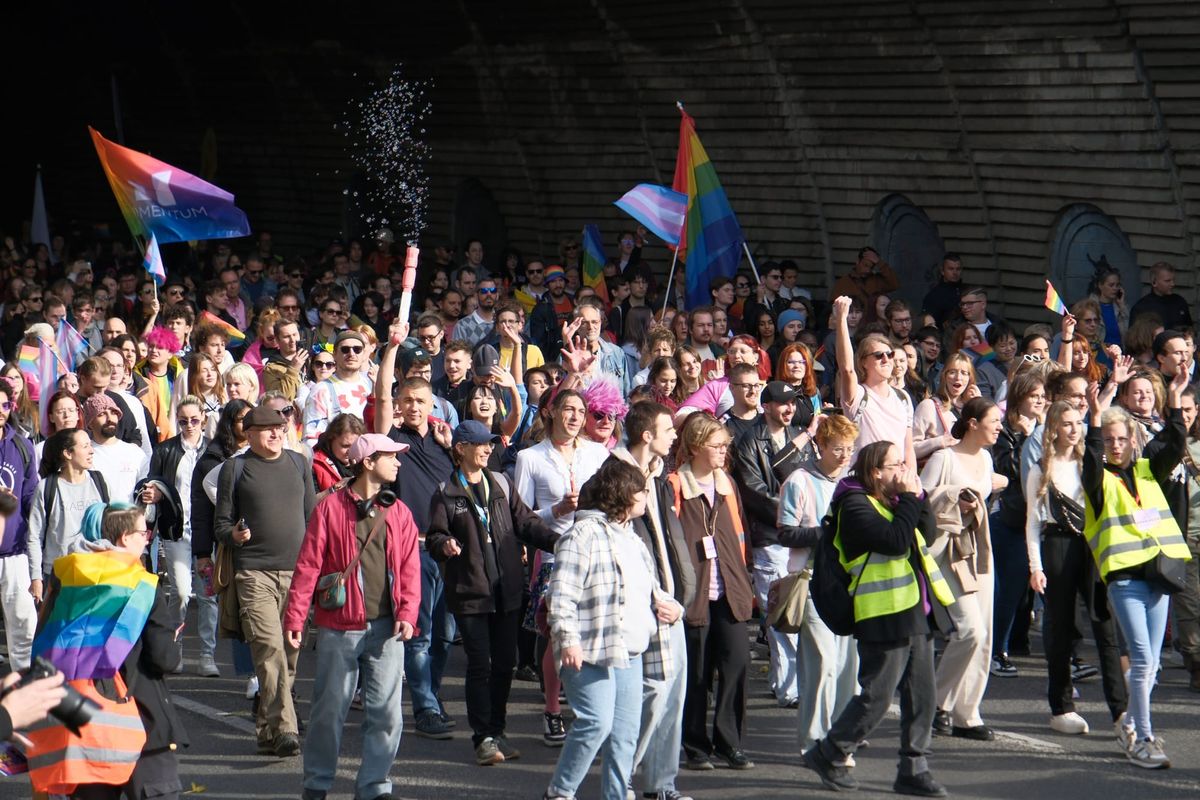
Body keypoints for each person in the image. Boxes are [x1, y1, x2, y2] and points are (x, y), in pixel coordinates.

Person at [803, 441, 954, 797]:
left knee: (922, 695)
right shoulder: (853, 505)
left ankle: (914, 768)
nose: (902, 469)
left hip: (914, 609)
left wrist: (919, 497)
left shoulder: (892, 500)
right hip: (882, 614)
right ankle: (829, 752)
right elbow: (896, 541)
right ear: (875, 472)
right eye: (895, 465)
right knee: (877, 696)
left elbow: (925, 536)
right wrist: (909, 501)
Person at [284, 433, 420, 800]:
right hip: (339, 626)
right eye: (391, 456)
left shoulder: (400, 512)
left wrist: (408, 611)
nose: (398, 462)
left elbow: (409, 568)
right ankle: (316, 783)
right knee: (329, 712)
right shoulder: (329, 508)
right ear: (369, 461)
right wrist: (296, 617)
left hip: (387, 628)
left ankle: (375, 787)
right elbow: (308, 565)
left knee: (387, 715)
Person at [541, 459, 683, 800]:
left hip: (630, 652)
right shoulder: (582, 535)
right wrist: (568, 641)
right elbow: (560, 595)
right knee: (596, 722)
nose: (647, 496)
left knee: (625, 735)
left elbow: (651, 589)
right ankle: (560, 792)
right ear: (623, 495)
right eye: (641, 490)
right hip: (590, 652)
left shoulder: (632, 539)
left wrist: (672, 607)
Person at [32, 503, 188, 800]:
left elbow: (43, 643)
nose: (148, 538)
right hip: (139, 716)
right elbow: (162, 657)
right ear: (124, 538)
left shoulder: (65, 577)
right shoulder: (143, 585)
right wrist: (171, 636)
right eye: (143, 532)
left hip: (79, 719)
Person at [427, 420, 558, 766]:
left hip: (506, 590)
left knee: (505, 664)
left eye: (489, 444)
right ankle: (483, 736)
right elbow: (435, 535)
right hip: (470, 592)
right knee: (480, 666)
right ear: (461, 448)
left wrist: (559, 540)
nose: (488, 449)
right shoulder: (446, 491)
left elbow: (526, 522)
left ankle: (497, 730)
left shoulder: (500, 482)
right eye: (480, 444)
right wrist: (446, 544)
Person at [1081, 369, 1190, 768]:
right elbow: (1091, 462)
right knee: (1143, 660)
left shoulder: (1147, 472)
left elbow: (1175, 444)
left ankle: (1130, 720)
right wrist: (1096, 419)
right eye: (1109, 440)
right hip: (1124, 580)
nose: (1115, 446)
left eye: (1121, 439)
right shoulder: (1097, 481)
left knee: (1153, 665)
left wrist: (1175, 398)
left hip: (1158, 578)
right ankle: (1143, 738)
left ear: (1133, 441)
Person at [214, 405, 316, 757]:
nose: (276, 433)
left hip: (296, 574)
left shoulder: (300, 463)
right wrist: (234, 535)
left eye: (280, 427)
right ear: (250, 433)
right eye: (267, 428)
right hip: (253, 572)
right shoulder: (235, 468)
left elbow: (312, 520)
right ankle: (286, 730)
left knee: (289, 656)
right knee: (268, 649)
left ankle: (266, 729)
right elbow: (220, 524)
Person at [1024, 400, 1129, 740]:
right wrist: (1035, 567)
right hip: (1057, 545)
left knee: (1106, 627)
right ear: (1053, 428)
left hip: (1092, 547)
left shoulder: (1091, 461)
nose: (1074, 429)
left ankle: (1121, 710)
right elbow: (1032, 524)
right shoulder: (1041, 469)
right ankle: (1061, 707)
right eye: (1066, 423)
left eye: (1078, 422)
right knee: (1062, 630)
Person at [607, 402, 696, 800]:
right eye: (668, 429)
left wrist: (681, 594)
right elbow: (615, 547)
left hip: (670, 603)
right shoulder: (614, 475)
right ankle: (621, 778)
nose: (675, 434)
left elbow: (667, 540)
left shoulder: (658, 476)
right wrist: (652, 598)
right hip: (644, 607)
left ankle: (662, 785)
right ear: (647, 435)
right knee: (652, 693)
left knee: (673, 693)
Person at [515, 388, 610, 747]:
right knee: (558, 637)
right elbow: (519, 516)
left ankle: (590, 708)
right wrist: (556, 511)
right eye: (567, 409)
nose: (573, 417)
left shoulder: (598, 453)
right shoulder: (530, 457)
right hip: (555, 555)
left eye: (580, 410)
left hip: (596, 553)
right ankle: (552, 711)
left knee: (594, 634)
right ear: (551, 412)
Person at [670, 413, 755, 771]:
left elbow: (740, 535)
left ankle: (728, 742)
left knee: (737, 664)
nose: (724, 451)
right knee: (697, 674)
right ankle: (695, 745)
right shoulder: (675, 484)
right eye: (717, 445)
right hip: (694, 594)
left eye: (725, 445)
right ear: (695, 447)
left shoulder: (727, 484)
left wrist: (747, 581)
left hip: (730, 589)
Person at [921, 398, 1005, 741]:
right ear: (972, 423)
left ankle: (966, 714)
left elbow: (993, 483)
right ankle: (936, 704)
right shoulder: (944, 457)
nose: (999, 426)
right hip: (944, 554)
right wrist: (955, 495)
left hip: (977, 553)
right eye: (993, 420)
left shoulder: (985, 458)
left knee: (983, 635)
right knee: (970, 630)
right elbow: (921, 498)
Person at [777, 414, 860, 752]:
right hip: (811, 582)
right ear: (820, 446)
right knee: (822, 663)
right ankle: (813, 742)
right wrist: (828, 533)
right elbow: (785, 532)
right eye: (838, 449)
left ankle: (839, 740)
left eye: (850, 449)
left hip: (849, 585)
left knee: (847, 669)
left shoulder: (853, 482)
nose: (845, 456)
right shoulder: (799, 481)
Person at [732, 381, 812, 708]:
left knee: (798, 614)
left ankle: (785, 681)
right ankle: (788, 688)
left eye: (792, 402)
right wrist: (793, 511)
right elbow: (753, 491)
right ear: (766, 406)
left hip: (799, 538)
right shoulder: (750, 441)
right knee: (780, 615)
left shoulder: (799, 437)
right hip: (770, 537)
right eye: (782, 403)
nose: (789, 408)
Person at [146, 396, 217, 677]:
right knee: (180, 592)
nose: (189, 425)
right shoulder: (165, 451)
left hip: (206, 534)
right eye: (183, 420)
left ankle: (207, 655)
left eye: (194, 420)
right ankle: (175, 652)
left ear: (204, 419)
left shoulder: (212, 451)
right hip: (176, 531)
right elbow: (153, 483)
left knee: (208, 595)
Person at [989, 370, 1046, 677]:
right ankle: (997, 650)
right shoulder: (1006, 430)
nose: (1039, 401)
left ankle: (1016, 643)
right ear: (1019, 398)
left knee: (1028, 592)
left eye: (1042, 396)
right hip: (1010, 519)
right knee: (1007, 591)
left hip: (1041, 518)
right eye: (1033, 396)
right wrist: (1025, 438)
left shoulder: (1047, 428)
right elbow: (1009, 469)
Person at [833, 296, 917, 471]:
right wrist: (841, 319)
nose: (886, 359)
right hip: (863, 482)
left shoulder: (903, 398)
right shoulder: (857, 395)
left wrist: (912, 486)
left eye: (890, 354)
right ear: (863, 362)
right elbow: (846, 368)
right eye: (878, 355)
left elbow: (908, 449)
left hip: (895, 483)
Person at [0, 380, 37, 670]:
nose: (1, 411)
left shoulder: (22, 446)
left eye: (5, 404)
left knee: (24, 626)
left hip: (14, 552)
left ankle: (23, 690)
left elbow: (30, 500)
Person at [85, 392, 148, 503]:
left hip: (131, 517)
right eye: (101, 414)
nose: (110, 418)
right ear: (90, 423)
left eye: (113, 413)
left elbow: (146, 492)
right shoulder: (84, 454)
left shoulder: (135, 453)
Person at [1129, 261, 1192, 330]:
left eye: (1173, 280)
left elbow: (1189, 330)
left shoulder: (1180, 302)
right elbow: (1134, 338)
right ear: (1154, 282)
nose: (1172, 284)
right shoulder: (1141, 308)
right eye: (1167, 281)